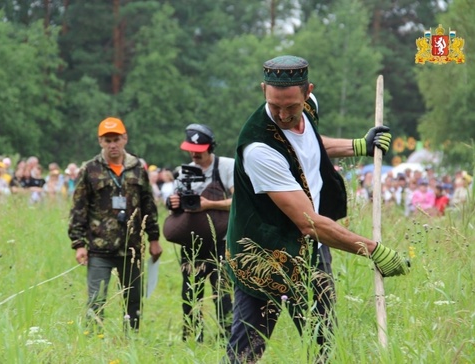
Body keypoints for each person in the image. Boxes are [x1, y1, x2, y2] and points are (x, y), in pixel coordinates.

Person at [224, 55, 409, 363]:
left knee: (322, 338)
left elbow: (308, 141)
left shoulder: (308, 109)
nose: (283, 115)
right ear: (263, 91)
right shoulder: (258, 149)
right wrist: (373, 249)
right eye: (274, 105)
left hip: (310, 246)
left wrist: (358, 145)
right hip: (263, 253)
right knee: (245, 352)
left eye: (291, 106)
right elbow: (309, 223)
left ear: (308, 92)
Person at [68, 117, 163, 334]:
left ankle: (131, 341)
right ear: (100, 141)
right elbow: (78, 207)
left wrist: (154, 239)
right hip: (99, 246)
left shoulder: (137, 167)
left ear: (125, 139)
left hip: (132, 246)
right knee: (96, 300)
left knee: (133, 300)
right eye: (108, 140)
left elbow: (149, 205)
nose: (113, 145)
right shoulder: (90, 169)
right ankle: (93, 341)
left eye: (117, 139)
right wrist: (78, 244)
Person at [165, 124, 234, 342]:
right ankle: (193, 336)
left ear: (210, 147)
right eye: (191, 149)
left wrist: (209, 204)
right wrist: (172, 203)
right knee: (190, 292)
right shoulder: (184, 170)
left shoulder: (226, 167)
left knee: (222, 292)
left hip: (221, 241)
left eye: (200, 150)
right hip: (192, 242)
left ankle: (227, 336)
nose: (195, 154)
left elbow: (240, 202)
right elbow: (182, 205)